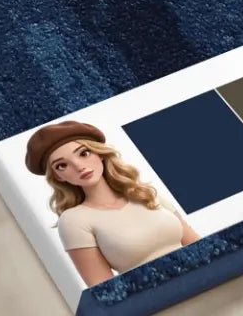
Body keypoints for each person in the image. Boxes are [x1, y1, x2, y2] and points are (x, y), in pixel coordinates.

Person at [25, 120, 200, 287]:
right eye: (62, 165)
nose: (79, 166)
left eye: (84, 153)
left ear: (99, 153)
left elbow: (200, 245)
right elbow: (106, 291)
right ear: (57, 176)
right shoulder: (74, 221)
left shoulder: (145, 193)